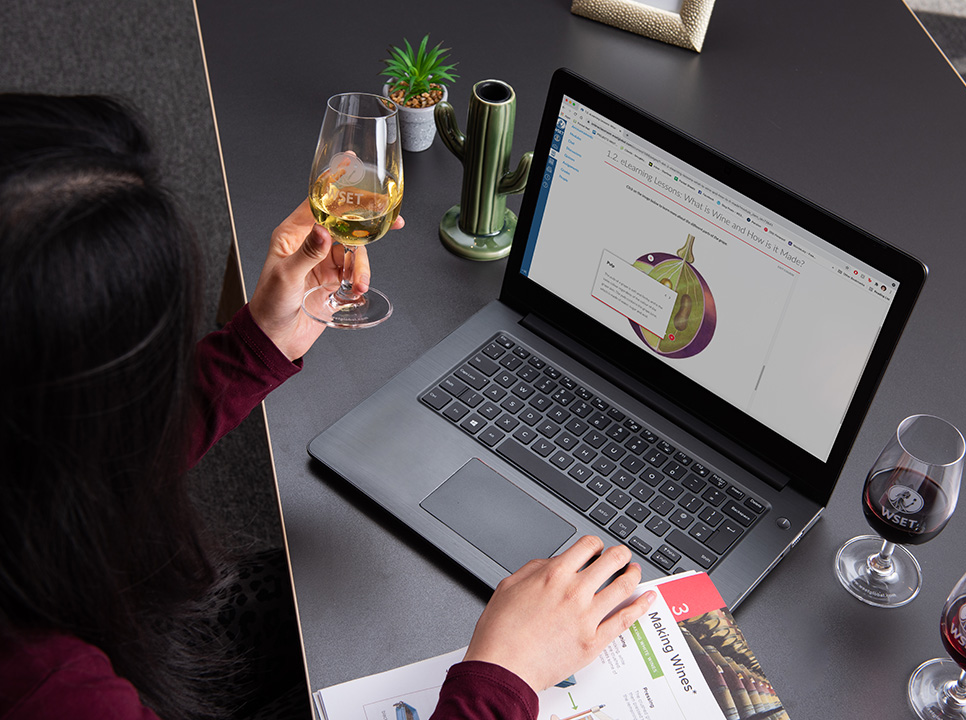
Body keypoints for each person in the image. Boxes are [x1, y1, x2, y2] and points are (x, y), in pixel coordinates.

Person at [0, 93, 654, 720]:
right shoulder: (50, 692)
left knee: (320, 610)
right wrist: (508, 673)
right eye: (152, 366)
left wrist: (254, 347)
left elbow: (97, 452)